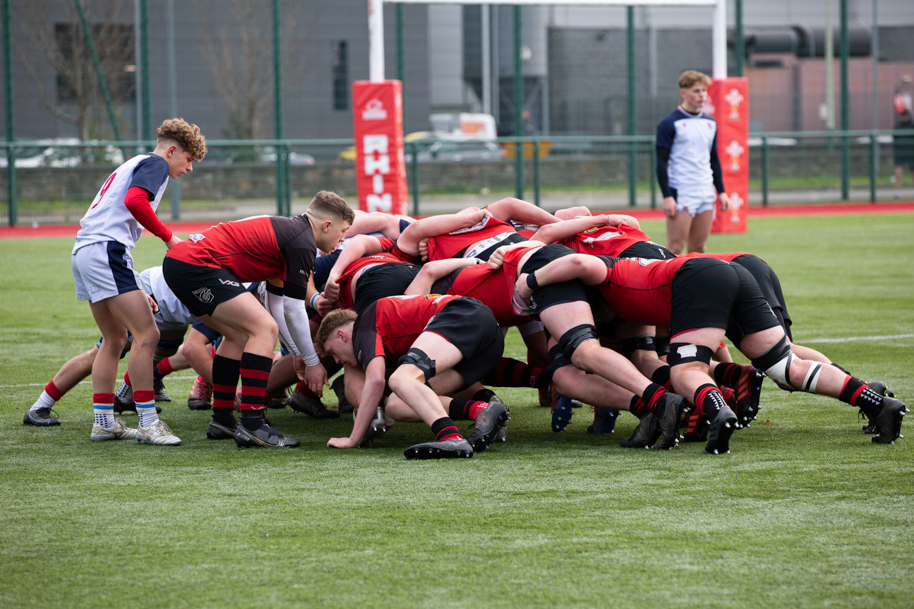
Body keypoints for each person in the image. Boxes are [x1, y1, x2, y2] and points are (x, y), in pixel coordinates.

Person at [515, 254, 908, 454]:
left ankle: (721, 416)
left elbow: (579, 262)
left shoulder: (603, 269)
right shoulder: (627, 275)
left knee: (687, 371)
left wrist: (527, 284)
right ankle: (876, 403)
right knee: (785, 365)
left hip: (697, 278)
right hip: (730, 272)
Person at [163, 191, 354, 448]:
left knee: (239, 335)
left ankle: (222, 419)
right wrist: (311, 361)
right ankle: (253, 424)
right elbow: (294, 309)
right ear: (326, 225)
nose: (342, 241)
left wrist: (297, 353)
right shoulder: (302, 241)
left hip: (183, 264)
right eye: (342, 232)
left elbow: (277, 304)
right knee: (263, 329)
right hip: (195, 264)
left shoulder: (292, 234)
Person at [70, 118, 205, 445]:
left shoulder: (135, 161)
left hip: (85, 249)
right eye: (187, 160)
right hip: (107, 250)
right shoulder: (157, 163)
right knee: (148, 334)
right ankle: (148, 421)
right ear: (172, 151)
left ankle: (103, 422)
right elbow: (134, 201)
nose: (188, 168)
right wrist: (169, 238)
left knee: (115, 338)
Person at [315, 295, 509, 459]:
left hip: (463, 315)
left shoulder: (362, 326)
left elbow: (376, 380)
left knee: (400, 379)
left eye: (333, 352)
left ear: (341, 335)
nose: (337, 361)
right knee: (397, 405)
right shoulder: (373, 325)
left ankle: (451, 438)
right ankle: (482, 410)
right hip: (487, 341)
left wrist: (353, 439)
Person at [656, 70, 729, 255]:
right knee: (675, 248)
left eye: (704, 90)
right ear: (684, 93)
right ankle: (666, 284)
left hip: (705, 191)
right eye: (696, 91)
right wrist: (667, 196)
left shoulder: (710, 123)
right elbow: (660, 161)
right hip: (682, 191)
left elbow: (713, 159)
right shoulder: (670, 123)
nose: (702, 95)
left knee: (699, 249)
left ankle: (692, 285)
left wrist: (721, 191)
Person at [893, 108, 914, 199]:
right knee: (898, 173)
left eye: (905, 115)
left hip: (911, 153)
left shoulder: (912, 125)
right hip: (900, 153)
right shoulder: (897, 126)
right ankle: (897, 192)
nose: (904, 117)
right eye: (902, 115)